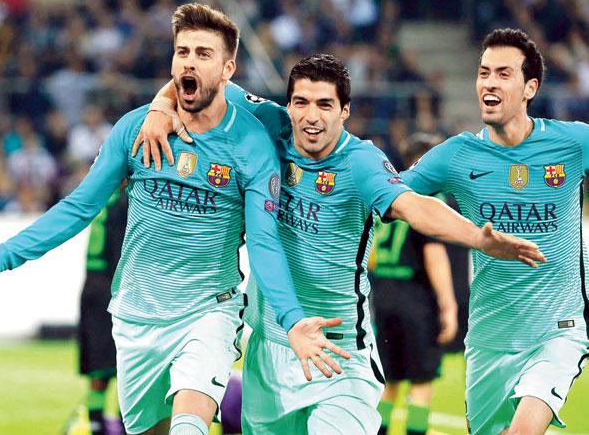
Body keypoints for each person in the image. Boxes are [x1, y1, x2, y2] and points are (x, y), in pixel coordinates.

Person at [0, 4, 351, 435]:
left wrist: (293, 319)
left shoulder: (254, 142)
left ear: (229, 70)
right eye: (182, 51)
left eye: (204, 54)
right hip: (136, 317)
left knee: (190, 425)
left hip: (209, 310)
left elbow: (263, 243)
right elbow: (78, 207)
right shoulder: (135, 129)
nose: (189, 61)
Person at [135, 53, 545, 434]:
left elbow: (413, 206)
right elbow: (198, 83)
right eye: (301, 103)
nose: (311, 117)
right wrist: (158, 109)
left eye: (325, 105)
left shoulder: (360, 162)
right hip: (270, 351)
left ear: (345, 112)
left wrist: (476, 237)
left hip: (340, 356)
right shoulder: (271, 125)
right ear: (289, 105)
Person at [400, 28, 589, 434]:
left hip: (557, 331)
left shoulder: (572, 143)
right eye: (484, 72)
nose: (488, 82)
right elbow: (390, 196)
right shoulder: (456, 154)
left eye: (504, 74)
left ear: (529, 87)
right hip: (489, 337)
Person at [371, 137, 458, 435]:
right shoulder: (427, 200)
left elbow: (369, 257)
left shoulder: (388, 197)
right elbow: (434, 256)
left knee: (390, 385)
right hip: (416, 303)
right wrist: (449, 306)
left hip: (382, 299)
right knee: (420, 386)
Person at [78, 186, 127, 435]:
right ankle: (124, 425)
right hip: (111, 287)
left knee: (98, 367)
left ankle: (95, 424)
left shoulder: (103, 201)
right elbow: (121, 254)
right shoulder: (125, 203)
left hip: (91, 287)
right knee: (127, 364)